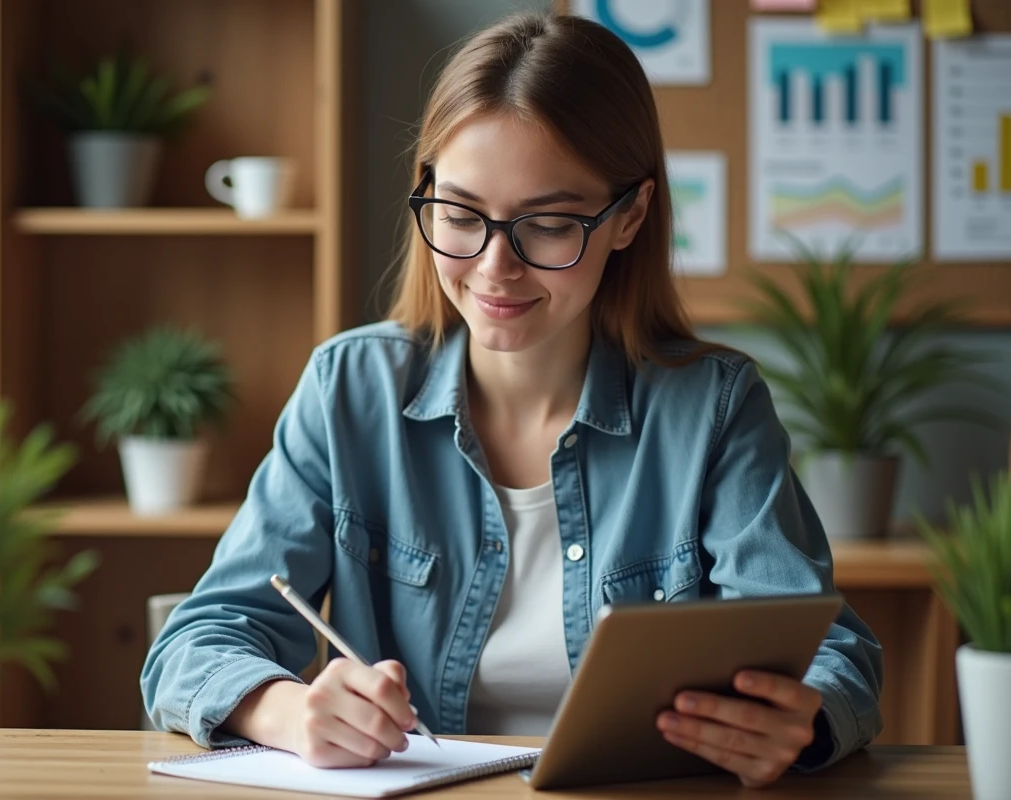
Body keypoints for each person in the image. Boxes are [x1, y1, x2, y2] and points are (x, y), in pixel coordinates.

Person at [141, 12, 882, 789]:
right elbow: (195, 645)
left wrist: (798, 722)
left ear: (628, 216)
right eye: (461, 216)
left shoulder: (714, 409)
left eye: (550, 224)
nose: (495, 267)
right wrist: (289, 712)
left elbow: (834, 652)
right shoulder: (348, 391)